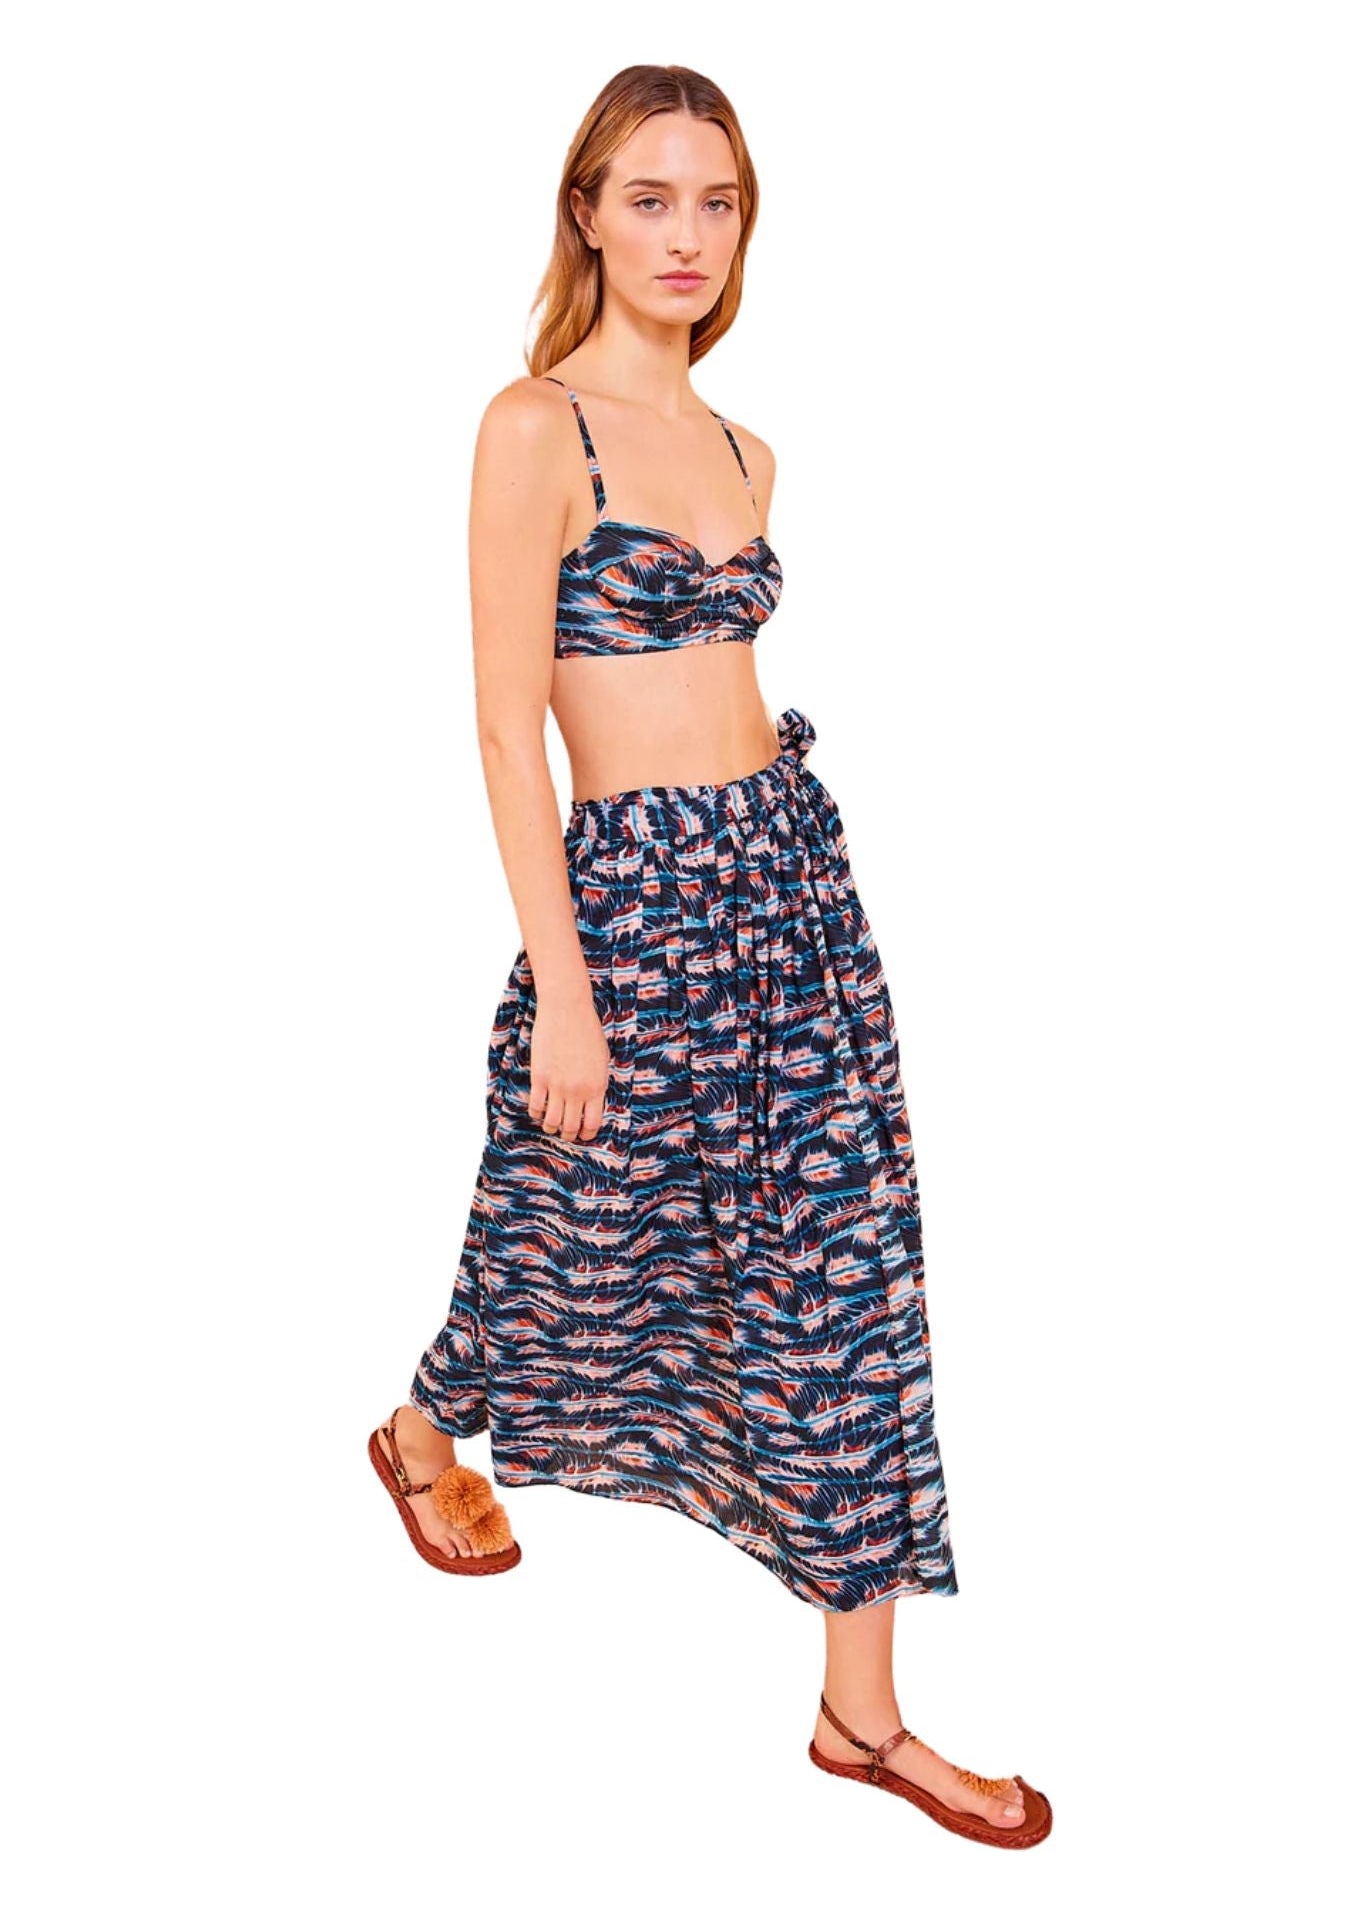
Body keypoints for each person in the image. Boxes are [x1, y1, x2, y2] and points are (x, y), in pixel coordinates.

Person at [368, 64, 1051, 1850]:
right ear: (586, 214)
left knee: (844, 1275)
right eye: (650, 197)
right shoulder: (537, 426)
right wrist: (564, 982)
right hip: (632, 902)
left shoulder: (750, 453)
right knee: (568, 1217)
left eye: (717, 201)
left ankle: (860, 1715)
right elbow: (506, 727)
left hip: (789, 885)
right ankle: (423, 1432)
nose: (686, 235)